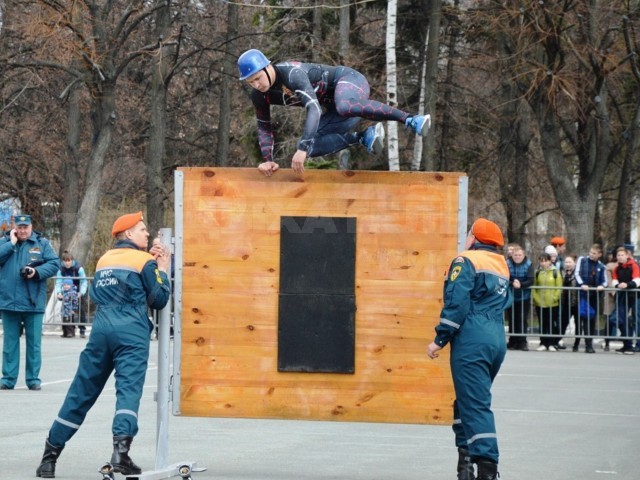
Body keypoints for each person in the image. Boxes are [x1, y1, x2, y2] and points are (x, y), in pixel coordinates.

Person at [36, 211, 171, 478]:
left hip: (101, 329)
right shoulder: (144, 260)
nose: (147, 233)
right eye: (143, 229)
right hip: (130, 330)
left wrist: (150, 266)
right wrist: (162, 269)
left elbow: (102, 291)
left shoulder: (104, 260)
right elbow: (158, 299)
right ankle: (120, 454)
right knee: (128, 391)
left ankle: (49, 458)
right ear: (129, 234)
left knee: (80, 392)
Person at [237, 49, 431, 176]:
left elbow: (313, 108)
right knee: (308, 146)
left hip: (350, 82)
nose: (256, 85)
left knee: (342, 107)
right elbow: (264, 126)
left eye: (258, 78)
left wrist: (301, 150)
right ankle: (363, 137)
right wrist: (268, 160)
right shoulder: (260, 96)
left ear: (268, 67)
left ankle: (411, 119)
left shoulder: (291, 74)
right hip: (341, 112)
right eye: (251, 82)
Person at [427, 218, 512, 480]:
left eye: (467, 234)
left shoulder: (465, 260)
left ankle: (487, 469)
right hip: (496, 338)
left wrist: (439, 339)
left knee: (475, 404)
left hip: (472, 338)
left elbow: (457, 303)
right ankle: (465, 464)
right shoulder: (501, 265)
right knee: (467, 400)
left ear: (474, 238)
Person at [0, 214, 59, 391]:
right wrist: (11, 244)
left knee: (34, 344)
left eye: (26, 227)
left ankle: (33, 379)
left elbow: (54, 263)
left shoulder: (42, 244)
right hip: (9, 302)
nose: (23, 230)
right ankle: (8, 379)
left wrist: (36, 272)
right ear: (14, 227)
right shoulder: (5, 243)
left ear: (31, 227)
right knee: (10, 344)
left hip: (33, 302)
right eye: (20, 227)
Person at [573, 244, 607, 353]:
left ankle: (589, 344)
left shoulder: (602, 266)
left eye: (594, 253)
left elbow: (605, 281)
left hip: (594, 296)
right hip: (582, 294)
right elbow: (577, 273)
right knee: (581, 320)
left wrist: (602, 286)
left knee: (591, 320)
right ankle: (576, 344)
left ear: (599, 255)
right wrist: (582, 284)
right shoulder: (582, 260)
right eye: (591, 252)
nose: (591, 255)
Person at [610, 246, 640, 355]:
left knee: (637, 320)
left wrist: (627, 285)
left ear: (627, 256)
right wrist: (618, 285)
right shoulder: (616, 269)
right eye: (618, 255)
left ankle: (637, 345)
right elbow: (614, 281)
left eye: (622, 255)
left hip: (635, 296)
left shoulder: (634, 266)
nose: (620, 257)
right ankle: (627, 344)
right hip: (623, 296)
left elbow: (637, 280)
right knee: (617, 319)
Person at [505, 244, 534, 351]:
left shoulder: (528, 264)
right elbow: (504, 277)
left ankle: (522, 342)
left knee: (522, 319)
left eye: (519, 255)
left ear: (523, 255)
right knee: (512, 319)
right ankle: (512, 341)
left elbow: (531, 280)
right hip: (511, 296)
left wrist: (521, 284)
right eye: (515, 255)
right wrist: (513, 283)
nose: (517, 256)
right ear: (512, 255)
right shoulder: (507, 263)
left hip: (524, 296)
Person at [55, 251, 89, 338]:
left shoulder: (79, 268)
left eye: (68, 261)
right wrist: (59, 292)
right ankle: (70, 330)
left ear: (72, 260)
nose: (67, 263)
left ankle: (82, 329)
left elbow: (84, 281)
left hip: (79, 290)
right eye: (65, 261)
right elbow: (59, 282)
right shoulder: (61, 269)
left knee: (81, 309)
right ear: (63, 261)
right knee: (67, 309)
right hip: (67, 291)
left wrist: (81, 292)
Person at [532, 252, 563, 351]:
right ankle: (543, 342)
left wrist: (555, 297)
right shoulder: (537, 272)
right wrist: (536, 298)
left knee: (551, 323)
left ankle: (551, 343)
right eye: (541, 261)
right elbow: (534, 287)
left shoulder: (555, 272)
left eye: (545, 261)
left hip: (552, 303)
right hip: (540, 302)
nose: (543, 263)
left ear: (550, 261)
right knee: (542, 323)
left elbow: (559, 287)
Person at [558, 254, 579, 350]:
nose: (568, 264)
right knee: (563, 322)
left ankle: (577, 344)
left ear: (574, 263)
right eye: (566, 262)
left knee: (578, 324)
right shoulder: (561, 272)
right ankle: (557, 340)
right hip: (565, 302)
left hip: (577, 301)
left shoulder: (578, 273)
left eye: (570, 262)